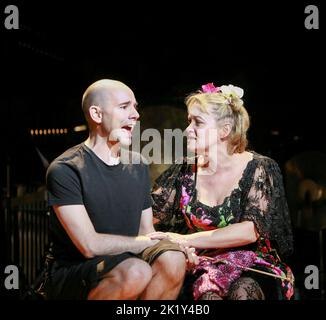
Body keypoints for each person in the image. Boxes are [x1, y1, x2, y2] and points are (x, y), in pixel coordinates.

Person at [42, 79, 188, 300]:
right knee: (136, 271)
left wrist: (174, 246)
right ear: (97, 114)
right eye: (124, 106)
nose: (136, 114)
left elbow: (145, 231)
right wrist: (142, 243)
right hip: (74, 272)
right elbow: (89, 246)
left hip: (127, 260)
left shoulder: (137, 164)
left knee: (174, 259)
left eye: (136, 107)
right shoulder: (66, 169)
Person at [151, 83, 294, 300]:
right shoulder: (184, 171)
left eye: (197, 122)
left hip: (252, 265)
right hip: (201, 264)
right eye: (189, 121)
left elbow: (248, 231)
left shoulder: (259, 167)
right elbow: (150, 217)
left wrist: (185, 240)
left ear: (224, 131)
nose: (187, 129)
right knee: (207, 295)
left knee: (242, 291)